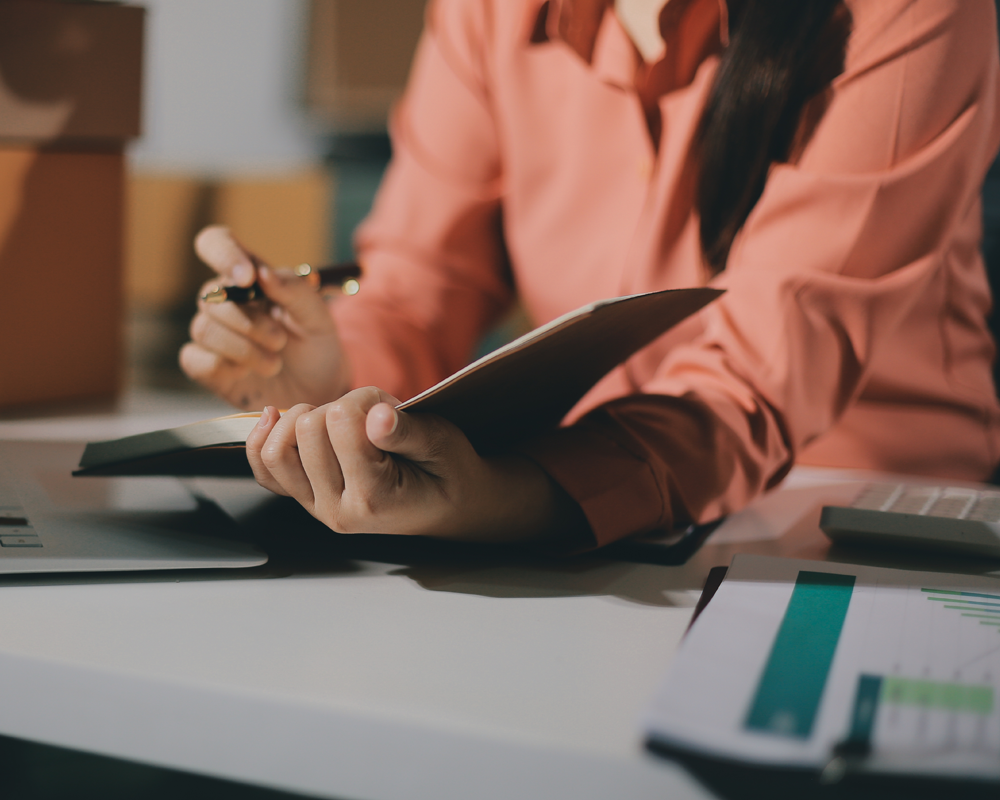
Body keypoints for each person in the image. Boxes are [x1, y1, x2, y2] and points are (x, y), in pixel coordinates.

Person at [180, 0, 1000, 550]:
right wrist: (335, 369)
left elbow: (751, 383)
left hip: (861, 520)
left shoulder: (910, 13)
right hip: (582, 497)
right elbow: (419, 286)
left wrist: (501, 498)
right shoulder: (489, 13)